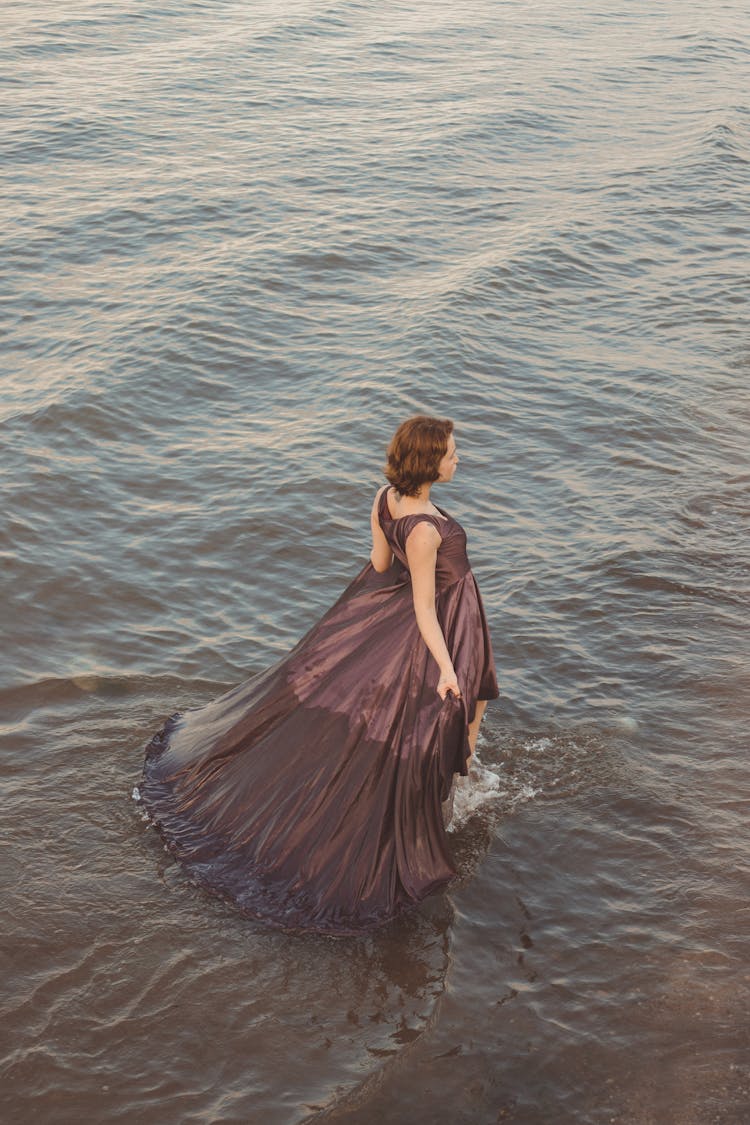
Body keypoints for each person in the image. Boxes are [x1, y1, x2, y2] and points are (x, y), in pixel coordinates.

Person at [137, 415, 498, 934]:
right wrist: (443, 666)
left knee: (473, 698)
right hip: (446, 621)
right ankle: (454, 792)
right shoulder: (423, 529)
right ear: (429, 462)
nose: (458, 458)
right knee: (463, 701)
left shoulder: (386, 499)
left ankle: (456, 783)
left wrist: (364, 623)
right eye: (451, 452)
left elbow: (378, 566)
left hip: (443, 610)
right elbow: (422, 606)